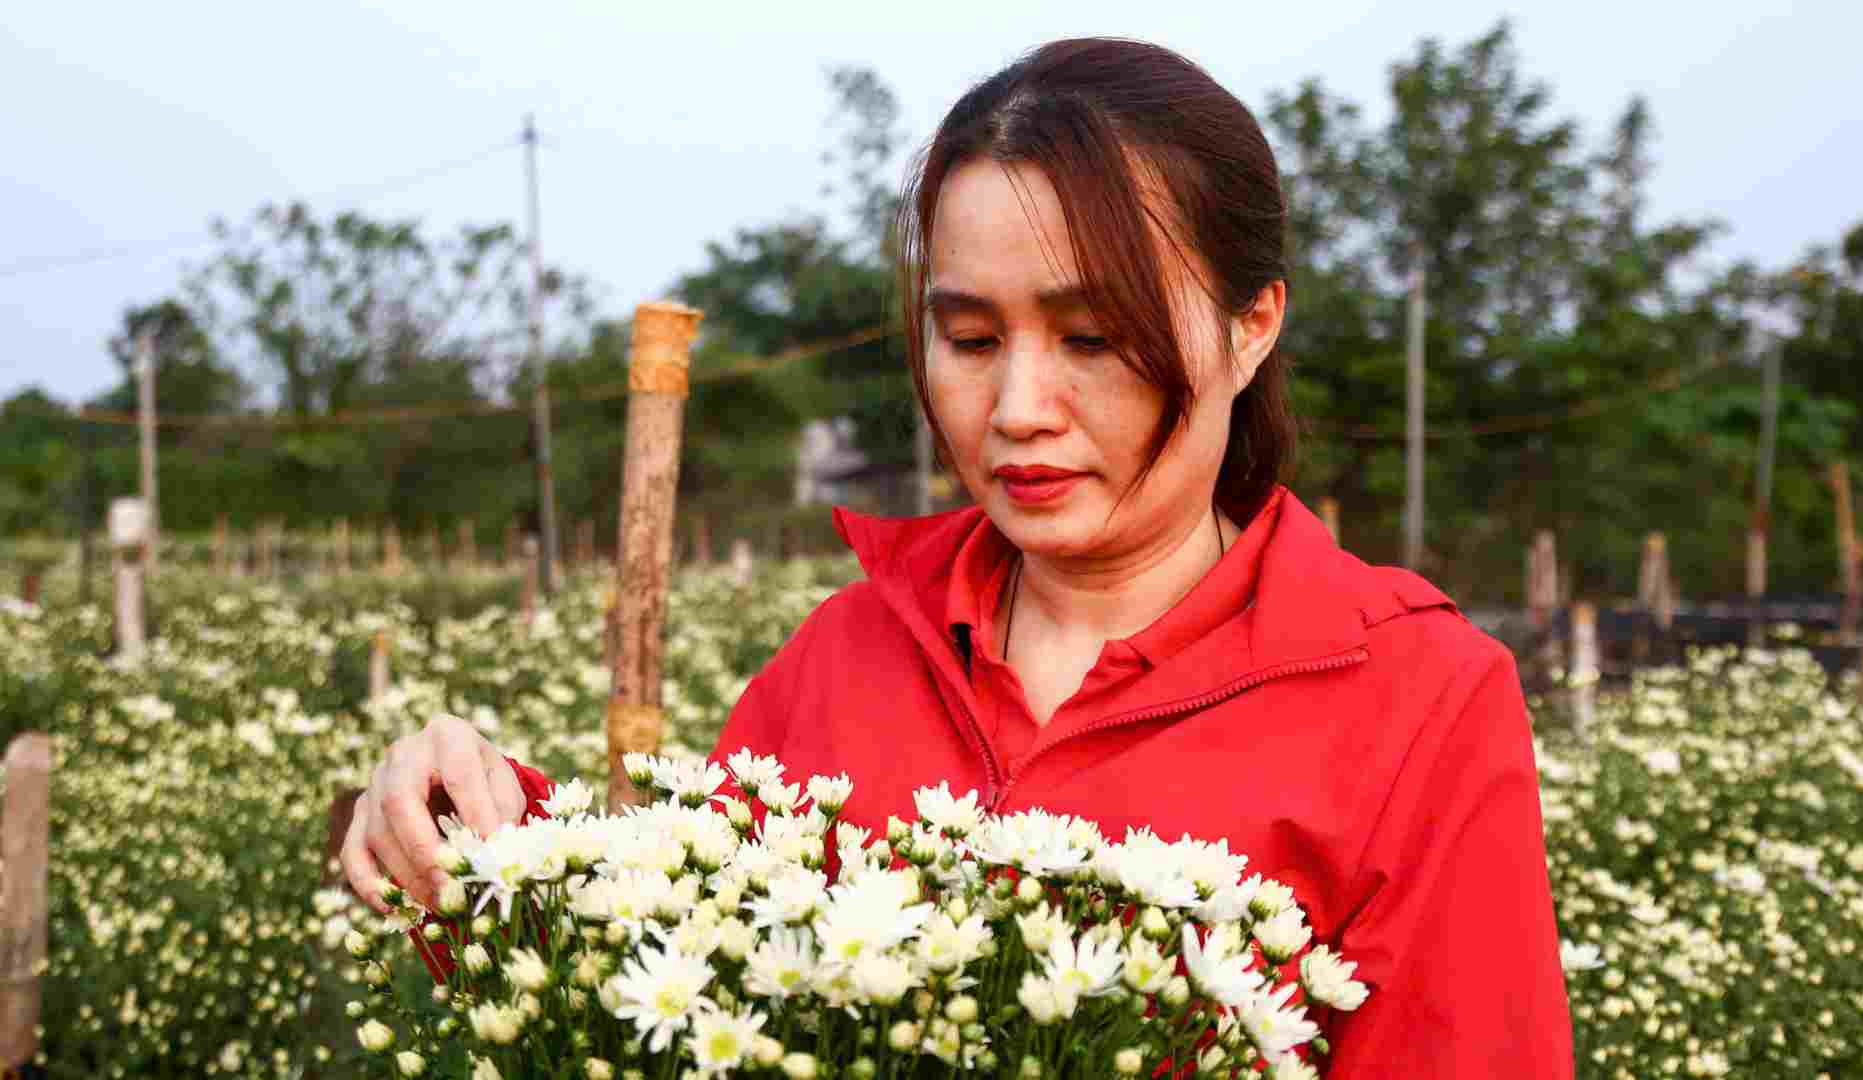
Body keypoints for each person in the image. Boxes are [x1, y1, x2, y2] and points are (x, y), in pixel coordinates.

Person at [341, 36, 1573, 1076]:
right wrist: (477, 820)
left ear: (1252, 327)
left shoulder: (1415, 696)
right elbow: (677, 969)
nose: (1020, 406)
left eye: (1093, 336)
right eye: (971, 337)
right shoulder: (849, 652)